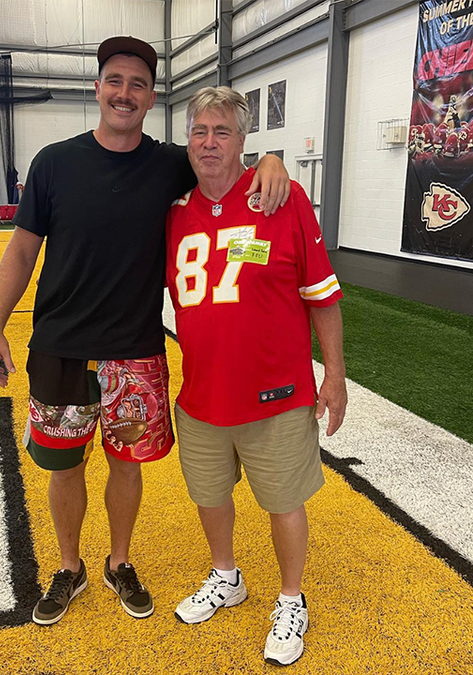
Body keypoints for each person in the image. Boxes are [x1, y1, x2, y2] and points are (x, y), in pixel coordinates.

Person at [0, 36, 291, 626]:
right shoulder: (53, 163)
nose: (125, 93)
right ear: (97, 88)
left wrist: (269, 160)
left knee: (128, 464)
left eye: (138, 84)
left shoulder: (170, 163)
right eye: (115, 81)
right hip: (60, 349)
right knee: (63, 466)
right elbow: (22, 252)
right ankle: (69, 568)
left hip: (134, 353)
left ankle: (118, 562)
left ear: (151, 97)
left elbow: (223, 161)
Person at [164, 86, 346, 666]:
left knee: (285, 501)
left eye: (222, 131)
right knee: (210, 497)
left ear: (244, 140)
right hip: (202, 396)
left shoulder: (282, 199)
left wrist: (335, 376)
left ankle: (291, 598)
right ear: (186, 140)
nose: (209, 142)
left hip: (277, 395)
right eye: (200, 131)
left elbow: (323, 297)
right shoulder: (172, 212)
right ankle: (227, 576)